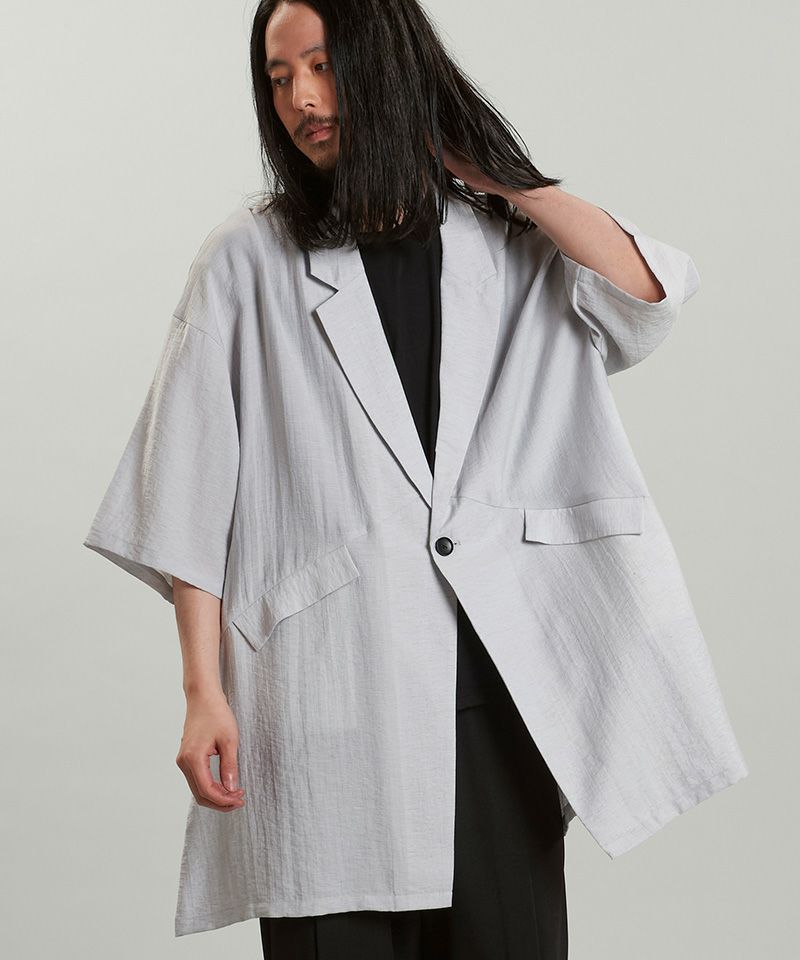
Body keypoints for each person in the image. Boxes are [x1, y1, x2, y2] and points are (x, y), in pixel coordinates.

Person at [82, 0, 748, 955]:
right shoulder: (246, 260)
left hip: (495, 707)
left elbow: (647, 296)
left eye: (323, 66)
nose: (303, 101)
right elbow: (187, 488)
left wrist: (501, 176)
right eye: (279, 79)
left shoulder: (510, 242)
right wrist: (203, 691)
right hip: (326, 696)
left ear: (387, 65)